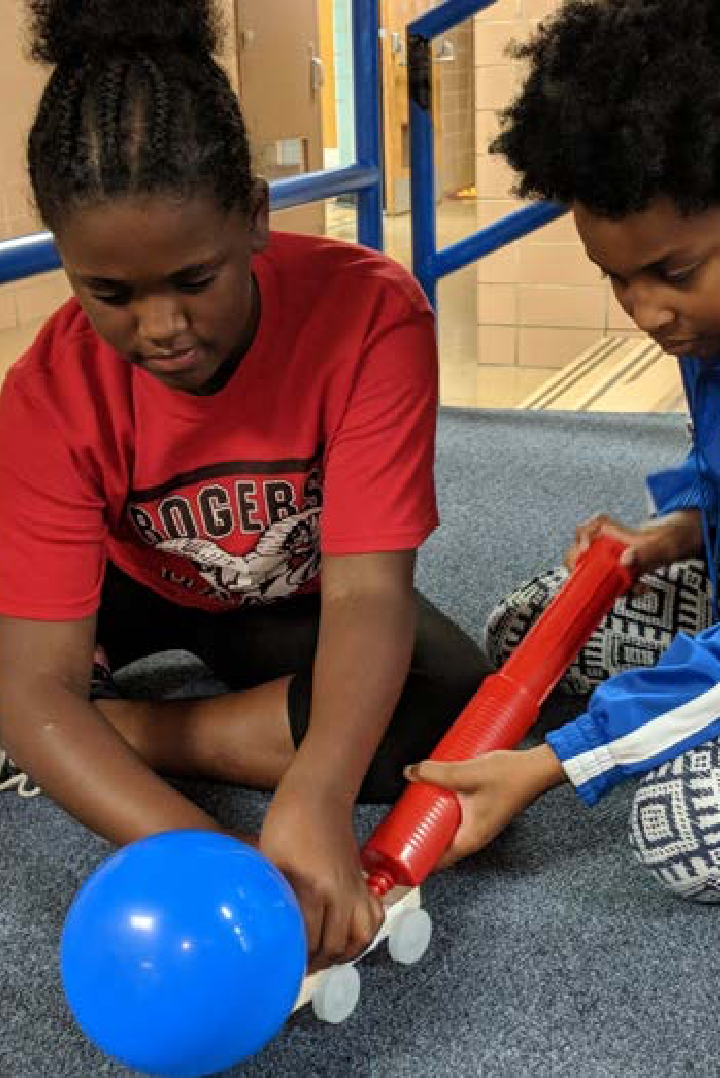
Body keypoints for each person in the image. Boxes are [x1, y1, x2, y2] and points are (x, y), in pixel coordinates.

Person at [0, 0, 489, 968]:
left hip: (286, 583)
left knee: (455, 714)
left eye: (193, 279)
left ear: (257, 217)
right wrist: (205, 855)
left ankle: (135, 727)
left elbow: (365, 591)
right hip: (124, 584)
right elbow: (34, 684)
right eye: (111, 293)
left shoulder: (370, 316)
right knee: (20, 684)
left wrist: (313, 790)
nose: (160, 328)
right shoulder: (44, 396)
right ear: (65, 262)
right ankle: (112, 730)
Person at [408, 0, 720, 903]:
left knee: (685, 829)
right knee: (526, 630)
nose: (646, 312)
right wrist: (670, 533)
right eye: (616, 278)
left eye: (672, 274)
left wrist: (548, 766)